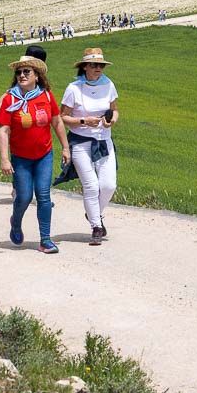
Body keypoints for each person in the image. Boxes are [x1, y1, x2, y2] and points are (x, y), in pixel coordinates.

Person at [0, 54, 70, 253]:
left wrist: (65, 147)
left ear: (37, 76)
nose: (22, 75)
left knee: (44, 196)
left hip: (44, 155)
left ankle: (45, 240)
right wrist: (4, 159)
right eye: (19, 72)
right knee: (24, 197)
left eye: (26, 71)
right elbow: (3, 130)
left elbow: (56, 121)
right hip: (21, 158)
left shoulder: (46, 95)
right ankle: (16, 221)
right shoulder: (10, 99)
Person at [60, 48, 120, 245]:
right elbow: (63, 117)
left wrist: (111, 121)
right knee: (91, 186)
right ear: (84, 67)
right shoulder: (74, 88)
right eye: (94, 65)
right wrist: (84, 121)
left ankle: (93, 213)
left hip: (104, 141)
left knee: (109, 185)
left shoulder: (108, 84)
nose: (98, 68)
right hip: (80, 142)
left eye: (101, 65)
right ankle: (96, 226)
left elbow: (115, 110)